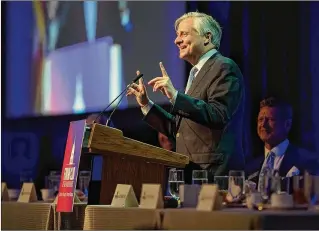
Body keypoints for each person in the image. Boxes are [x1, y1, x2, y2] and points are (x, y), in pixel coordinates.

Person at [127, 12, 246, 183]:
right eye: (177, 35)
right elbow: (180, 128)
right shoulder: (196, 73)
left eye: (184, 34)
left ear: (207, 37)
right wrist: (146, 104)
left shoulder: (224, 67)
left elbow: (219, 114)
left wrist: (175, 96)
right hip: (191, 172)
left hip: (214, 174)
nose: (176, 40)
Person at [246, 97, 319, 191]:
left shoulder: (308, 161)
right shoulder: (251, 167)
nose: (263, 124)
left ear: (287, 125)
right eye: (260, 119)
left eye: (270, 119)